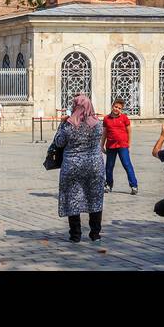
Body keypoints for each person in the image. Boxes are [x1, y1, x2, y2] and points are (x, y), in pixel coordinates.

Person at [52, 94, 106, 242]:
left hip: (72, 166)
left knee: (72, 199)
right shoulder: (97, 124)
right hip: (94, 166)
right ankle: (95, 234)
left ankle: (75, 234)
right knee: (95, 198)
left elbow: (59, 142)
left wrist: (61, 125)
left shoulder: (69, 124)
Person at [102, 99, 138, 194]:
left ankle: (134, 186)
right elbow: (104, 133)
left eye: (119, 108)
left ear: (121, 109)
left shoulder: (124, 118)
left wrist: (128, 143)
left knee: (127, 165)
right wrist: (101, 145)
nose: (117, 109)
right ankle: (108, 185)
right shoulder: (106, 119)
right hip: (110, 146)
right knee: (109, 166)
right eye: (115, 107)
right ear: (112, 106)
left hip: (122, 145)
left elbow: (129, 131)